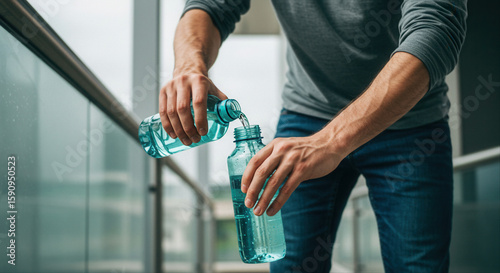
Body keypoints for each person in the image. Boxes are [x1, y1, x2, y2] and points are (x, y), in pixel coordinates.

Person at [159, 1, 467, 272]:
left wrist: (331, 141)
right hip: (306, 116)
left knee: (417, 266)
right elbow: (211, 6)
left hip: (409, 122)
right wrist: (188, 65)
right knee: (294, 264)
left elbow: (436, 27)